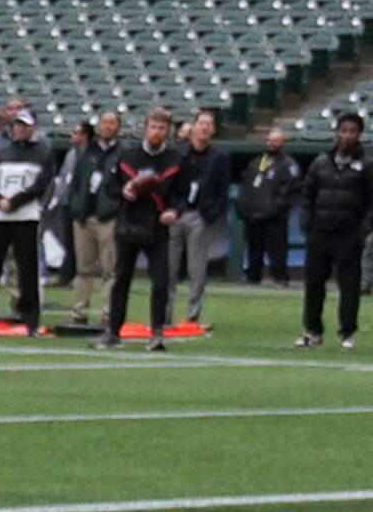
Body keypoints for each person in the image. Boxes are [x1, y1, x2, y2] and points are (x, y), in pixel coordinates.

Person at [99, 106, 185, 351]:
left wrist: (174, 211)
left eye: (162, 128)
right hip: (129, 223)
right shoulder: (128, 157)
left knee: (160, 281)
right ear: (145, 129)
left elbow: (183, 194)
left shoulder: (175, 160)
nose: (157, 132)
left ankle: (157, 332)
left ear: (167, 131)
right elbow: (110, 187)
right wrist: (124, 192)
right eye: (153, 126)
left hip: (157, 226)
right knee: (121, 278)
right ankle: (113, 330)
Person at [0, 106, 56, 335]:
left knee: (27, 270)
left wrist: (15, 201)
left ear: (33, 128)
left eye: (25, 125)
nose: (20, 128)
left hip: (26, 217)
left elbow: (41, 184)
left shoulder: (43, 152)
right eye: (17, 124)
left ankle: (30, 319)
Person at [294, 110, 367, 349]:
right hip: (320, 231)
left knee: (349, 286)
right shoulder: (320, 162)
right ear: (336, 133)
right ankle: (313, 331)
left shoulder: (366, 165)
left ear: (359, 135)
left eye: (352, 131)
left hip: (348, 233)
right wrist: (307, 223)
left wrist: (363, 229)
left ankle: (347, 332)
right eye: (343, 131)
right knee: (314, 284)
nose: (347, 136)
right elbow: (307, 194)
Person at [64, 109, 123, 326]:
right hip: (84, 217)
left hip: (107, 218)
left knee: (110, 269)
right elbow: (76, 183)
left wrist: (113, 208)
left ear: (118, 127)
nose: (107, 127)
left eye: (112, 123)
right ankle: (79, 312)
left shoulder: (122, 154)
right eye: (104, 123)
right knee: (83, 268)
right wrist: (75, 208)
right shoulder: (86, 153)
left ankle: (108, 314)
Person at [175, 109, 227, 328]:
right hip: (176, 214)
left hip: (200, 215)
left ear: (213, 129)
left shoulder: (219, 157)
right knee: (168, 268)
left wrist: (211, 213)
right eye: (201, 123)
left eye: (209, 124)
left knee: (197, 269)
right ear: (193, 127)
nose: (205, 127)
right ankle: (163, 314)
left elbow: (222, 190)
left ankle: (192, 315)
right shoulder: (178, 153)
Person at [237, 128, 301, 285]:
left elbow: (289, 192)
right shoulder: (256, 163)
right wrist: (244, 208)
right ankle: (252, 279)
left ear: (282, 143)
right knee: (254, 251)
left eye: (276, 141)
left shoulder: (288, 165)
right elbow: (246, 186)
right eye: (269, 140)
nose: (271, 144)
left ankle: (280, 279)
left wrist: (272, 209)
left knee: (277, 252)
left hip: (275, 219)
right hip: (253, 217)